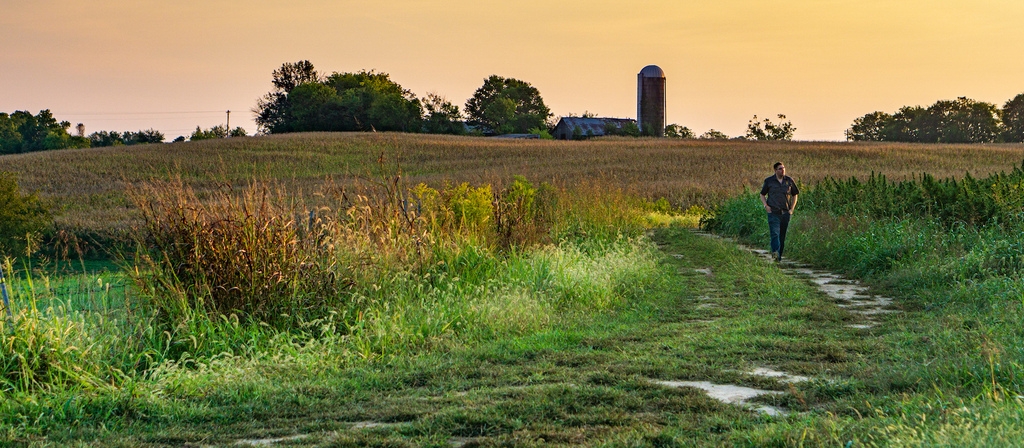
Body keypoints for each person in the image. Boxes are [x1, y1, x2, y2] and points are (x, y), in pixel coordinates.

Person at [760, 162, 799, 262]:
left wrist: (792, 209)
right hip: (773, 212)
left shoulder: (789, 181)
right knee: (775, 233)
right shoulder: (769, 181)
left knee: (782, 236)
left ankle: (779, 257)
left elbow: (795, 194)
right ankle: (775, 252)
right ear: (775, 170)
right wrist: (766, 206)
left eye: (783, 168)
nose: (782, 170)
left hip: (785, 212)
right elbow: (762, 194)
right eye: (780, 169)